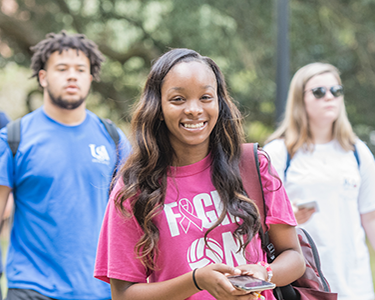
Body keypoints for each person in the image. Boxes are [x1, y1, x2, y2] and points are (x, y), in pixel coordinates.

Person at [94, 48, 305, 300]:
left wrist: (264, 273)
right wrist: (196, 281)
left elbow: (293, 257)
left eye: (206, 97)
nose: (194, 110)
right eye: (178, 99)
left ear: (219, 102)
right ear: (158, 107)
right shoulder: (134, 189)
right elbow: (124, 295)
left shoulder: (253, 166)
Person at [0, 31, 132, 300]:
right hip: (30, 288)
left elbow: (134, 215)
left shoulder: (113, 138)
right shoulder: (14, 138)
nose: (72, 76)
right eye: (61, 68)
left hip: (101, 290)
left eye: (80, 69)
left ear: (91, 77)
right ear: (43, 77)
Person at [263, 62, 375, 300]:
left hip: (355, 282)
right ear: (300, 99)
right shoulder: (280, 152)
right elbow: (261, 218)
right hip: (304, 283)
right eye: (319, 91)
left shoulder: (357, 152)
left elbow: (370, 217)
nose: (329, 97)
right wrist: (288, 217)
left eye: (336, 91)